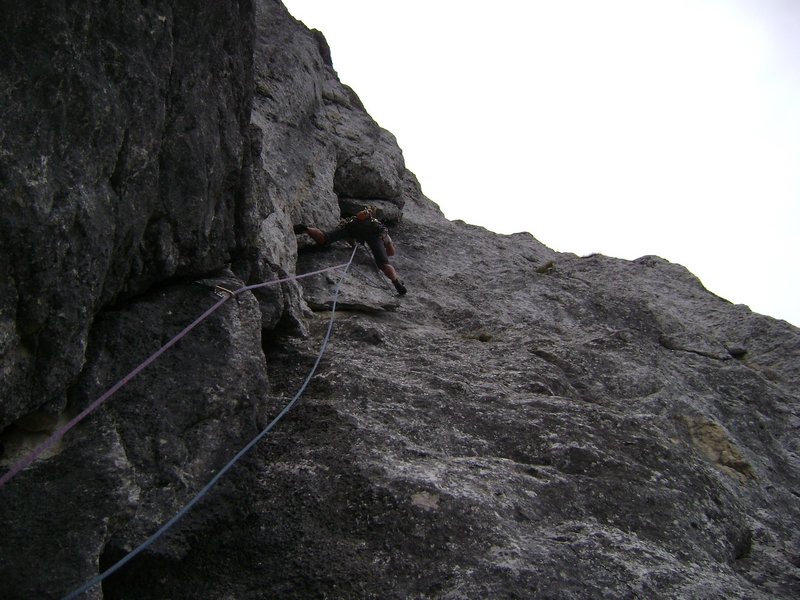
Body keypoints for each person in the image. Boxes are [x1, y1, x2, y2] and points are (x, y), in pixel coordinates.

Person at [294, 206, 407, 295]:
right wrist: (380, 255)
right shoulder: (379, 227)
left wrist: (354, 244)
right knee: (384, 264)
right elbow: (391, 252)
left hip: (352, 227)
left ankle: (307, 229)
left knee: (324, 238)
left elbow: (349, 237)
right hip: (373, 235)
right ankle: (396, 282)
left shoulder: (353, 220)